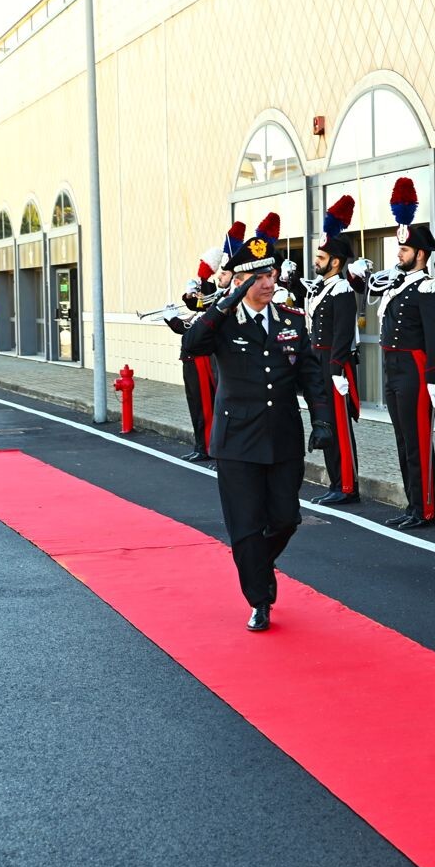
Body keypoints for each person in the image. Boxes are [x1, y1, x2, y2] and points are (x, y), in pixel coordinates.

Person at [181, 212, 334, 631]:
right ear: (243, 279)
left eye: (270, 274)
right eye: (258, 276)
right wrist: (226, 298)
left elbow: (312, 377)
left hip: (282, 438)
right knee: (246, 526)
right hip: (236, 442)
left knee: (286, 519)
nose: (268, 282)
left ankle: (257, 567)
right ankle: (259, 598)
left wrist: (323, 422)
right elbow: (191, 345)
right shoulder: (222, 322)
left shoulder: (291, 321)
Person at [378, 176, 435, 530]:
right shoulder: (399, 283)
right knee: (402, 439)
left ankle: (424, 508)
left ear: (420, 254)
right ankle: (412, 503)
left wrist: (434, 378)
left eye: (404, 251)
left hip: (413, 368)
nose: (399, 255)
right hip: (394, 368)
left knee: (417, 440)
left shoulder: (427, 286)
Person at [168, 222, 243, 462]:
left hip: (209, 358)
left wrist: (177, 324)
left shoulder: (228, 297)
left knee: (208, 406)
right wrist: (190, 296)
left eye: (223, 272)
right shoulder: (218, 294)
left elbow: (202, 326)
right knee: (198, 405)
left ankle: (210, 447)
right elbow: (198, 306)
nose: (219, 276)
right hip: (199, 356)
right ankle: (205, 445)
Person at [306, 194, 362, 505]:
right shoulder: (322, 288)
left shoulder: (341, 289)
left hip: (334, 362)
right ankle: (335, 480)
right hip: (319, 360)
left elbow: (342, 333)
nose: (316, 261)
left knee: (340, 424)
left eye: (321, 258)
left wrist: (338, 368)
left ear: (336, 262)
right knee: (325, 421)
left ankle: (348, 485)